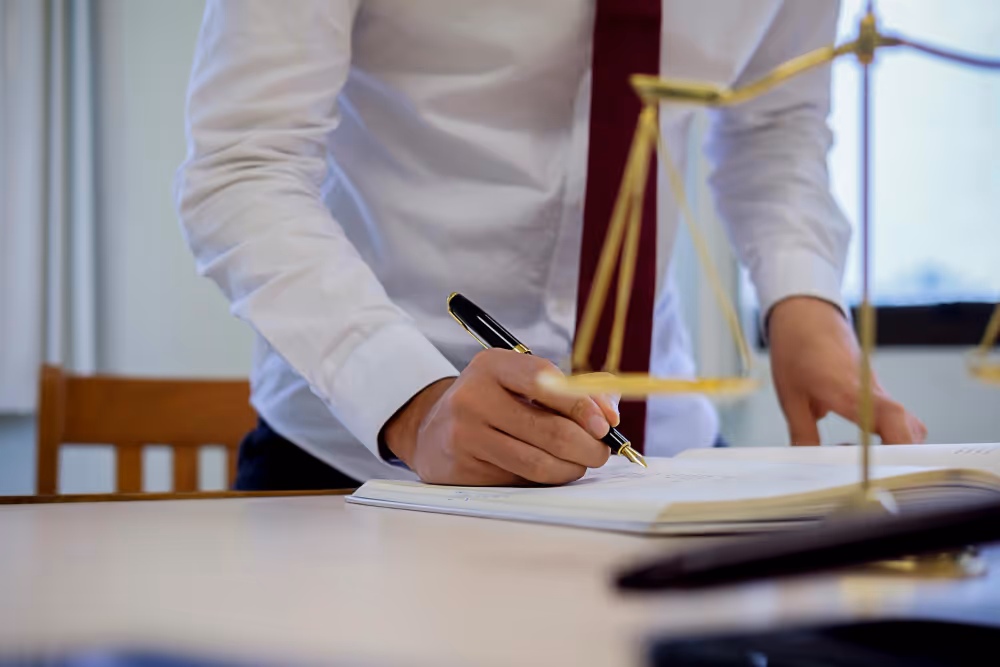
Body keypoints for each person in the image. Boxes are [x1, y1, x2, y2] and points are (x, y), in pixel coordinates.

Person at [175, 0, 926, 491]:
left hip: (661, 461)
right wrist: (408, 401)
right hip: (352, 464)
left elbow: (773, 125)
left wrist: (804, 303)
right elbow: (243, 163)